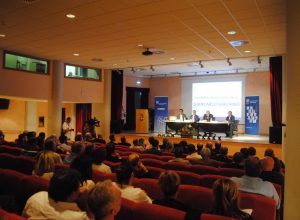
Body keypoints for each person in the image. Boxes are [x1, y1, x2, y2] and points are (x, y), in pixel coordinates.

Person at [23, 170, 89, 220]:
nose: (80, 189)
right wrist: (86, 203)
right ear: (72, 194)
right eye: (79, 186)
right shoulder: (79, 217)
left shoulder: (36, 197)